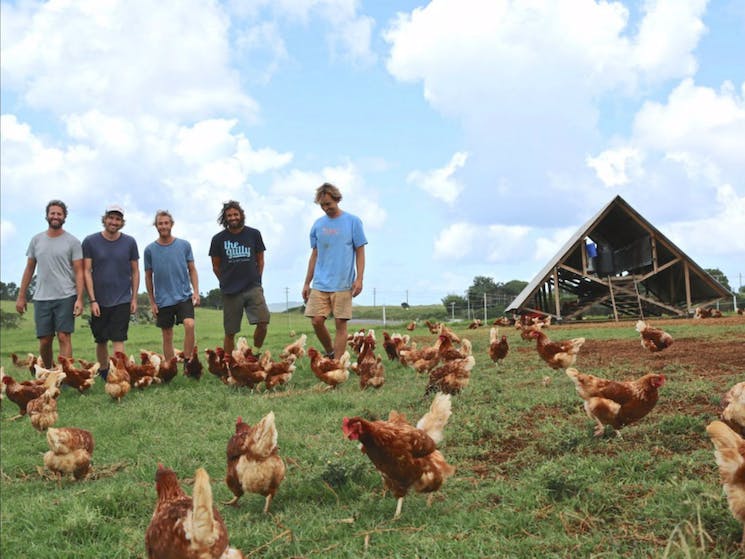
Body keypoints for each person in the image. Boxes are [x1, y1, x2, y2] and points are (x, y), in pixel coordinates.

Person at [15, 200, 85, 368]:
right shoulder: (36, 240)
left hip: (66, 296)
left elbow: (79, 271)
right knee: (45, 340)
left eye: (59, 214)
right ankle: (48, 372)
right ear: (47, 215)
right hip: (41, 297)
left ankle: (67, 375)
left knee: (63, 336)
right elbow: (29, 268)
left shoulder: (73, 242)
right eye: (52, 213)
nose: (55, 216)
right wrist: (21, 296)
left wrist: (80, 299)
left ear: (64, 217)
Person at [302, 182, 367, 360]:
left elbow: (360, 252)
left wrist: (359, 278)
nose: (325, 208)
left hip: (343, 283)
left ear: (337, 200)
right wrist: (307, 282)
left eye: (328, 204)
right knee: (316, 321)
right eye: (322, 205)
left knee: (340, 324)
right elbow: (314, 254)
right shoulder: (318, 225)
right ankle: (330, 351)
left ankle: (337, 364)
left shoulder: (353, 221)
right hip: (321, 282)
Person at [82, 204, 139, 379]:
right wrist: (92, 300)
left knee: (118, 339)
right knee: (100, 340)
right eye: (111, 218)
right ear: (105, 219)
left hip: (122, 298)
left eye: (118, 219)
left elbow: (135, 271)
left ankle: (119, 374)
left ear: (122, 222)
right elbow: (86, 271)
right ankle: (104, 371)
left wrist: (134, 298)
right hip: (99, 300)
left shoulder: (130, 242)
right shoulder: (90, 241)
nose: (114, 222)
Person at [209, 200, 270, 355]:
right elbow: (216, 266)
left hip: (253, 287)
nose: (233, 217)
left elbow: (260, 259)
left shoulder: (254, 234)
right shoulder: (218, 239)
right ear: (225, 218)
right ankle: (229, 364)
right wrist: (225, 281)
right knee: (230, 331)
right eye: (229, 215)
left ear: (241, 215)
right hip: (230, 291)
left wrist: (257, 279)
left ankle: (255, 353)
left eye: (235, 214)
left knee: (263, 322)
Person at [144, 210, 200, 361]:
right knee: (167, 334)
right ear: (156, 226)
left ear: (172, 224)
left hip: (183, 295)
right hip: (163, 299)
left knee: (189, 324)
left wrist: (196, 291)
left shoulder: (184, 245)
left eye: (166, 223)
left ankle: (188, 361)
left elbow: (192, 270)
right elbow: (148, 277)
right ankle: (170, 367)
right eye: (160, 223)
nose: (163, 226)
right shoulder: (149, 250)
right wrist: (152, 302)